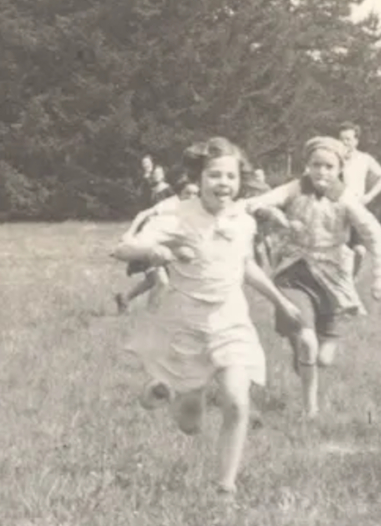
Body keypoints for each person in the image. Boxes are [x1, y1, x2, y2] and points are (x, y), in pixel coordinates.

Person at [114, 138, 303, 496]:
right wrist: (157, 250)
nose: (223, 183)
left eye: (230, 177)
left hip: (230, 321)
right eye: (214, 175)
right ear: (198, 179)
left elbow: (246, 267)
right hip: (186, 326)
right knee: (190, 424)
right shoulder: (176, 214)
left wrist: (280, 301)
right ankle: (169, 391)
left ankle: (225, 486)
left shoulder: (243, 221)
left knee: (236, 399)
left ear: (239, 181)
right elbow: (122, 247)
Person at [242, 137, 381, 416]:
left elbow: (374, 234)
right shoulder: (295, 188)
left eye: (329, 166)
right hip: (293, 270)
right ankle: (310, 410)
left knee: (323, 358)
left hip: (332, 277)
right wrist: (263, 210)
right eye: (316, 165)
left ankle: (305, 354)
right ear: (307, 166)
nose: (322, 172)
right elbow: (262, 200)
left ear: (339, 169)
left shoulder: (346, 198)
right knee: (307, 341)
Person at [113, 170, 194, 314]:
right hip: (147, 244)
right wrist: (129, 233)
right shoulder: (171, 204)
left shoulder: (192, 210)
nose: (192, 197)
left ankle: (125, 298)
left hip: (159, 247)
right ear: (180, 193)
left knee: (152, 281)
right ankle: (150, 318)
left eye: (195, 194)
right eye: (188, 193)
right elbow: (143, 214)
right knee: (162, 282)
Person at [338, 123, 381, 277]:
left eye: (348, 139)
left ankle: (351, 279)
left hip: (356, 208)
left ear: (356, 141)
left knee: (359, 251)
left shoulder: (364, 158)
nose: (344, 143)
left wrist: (369, 196)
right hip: (336, 209)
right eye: (341, 139)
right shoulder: (332, 158)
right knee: (340, 251)